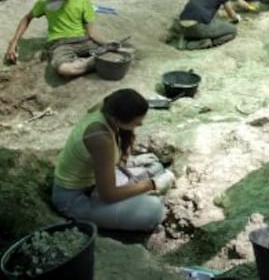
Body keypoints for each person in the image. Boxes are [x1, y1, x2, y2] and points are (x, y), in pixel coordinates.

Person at [52, 88, 176, 231]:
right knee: (153, 211)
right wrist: (153, 184)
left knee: (157, 167)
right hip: (74, 199)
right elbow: (108, 195)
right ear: (118, 119)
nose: (140, 125)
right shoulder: (100, 138)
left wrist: (129, 161)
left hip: (93, 183)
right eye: (136, 123)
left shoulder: (107, 106)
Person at [5, 0, 115, 77]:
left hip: (84, 40)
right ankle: (94, 62)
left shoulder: (83, 1)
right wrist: (13, 43)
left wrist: (107, 44)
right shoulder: (44, 2)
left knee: (110, 52)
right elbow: (27, 18)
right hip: (60, 44)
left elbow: (92, 33)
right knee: (63, 69)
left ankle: (86, 62)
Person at [169, 0, 239, 50]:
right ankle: (207, 43)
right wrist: (237, 18)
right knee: (233, 30)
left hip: (182, 24)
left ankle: (187, 39)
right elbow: (233, 16)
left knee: (207, 22)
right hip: (198, 27)